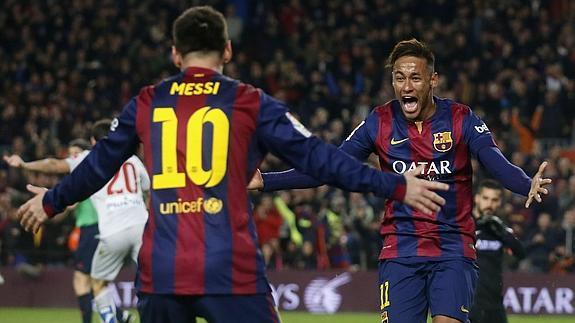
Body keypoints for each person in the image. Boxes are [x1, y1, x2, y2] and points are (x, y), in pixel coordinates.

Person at [15, 7, 449, 323]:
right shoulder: (251, 102)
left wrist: (51, 202)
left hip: (162, 270)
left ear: (174, 54)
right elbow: (321, 159)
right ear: (227, 50)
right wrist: (395, 186)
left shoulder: (146, 102)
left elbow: (97, 166)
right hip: (229, 268)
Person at [249, 38, 552, 323]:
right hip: (401, 249)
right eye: (399, 78)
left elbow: (493, 160)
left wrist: (526, 183)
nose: (406, 86)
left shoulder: (461, 118)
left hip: (453, 246)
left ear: (433, 80)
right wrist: (265, 180)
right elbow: (329, 167)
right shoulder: (378, 122)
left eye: (415, 78)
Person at [5, 139, 100, 323]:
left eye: (76, 153)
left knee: (83, 280)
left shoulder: (86, 174)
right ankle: (119, 316)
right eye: (71, 153)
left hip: (91, 230)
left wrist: (48, 203)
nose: (72, 157)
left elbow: (68, 202)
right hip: (100, 229)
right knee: (95, 282)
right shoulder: (93, 174)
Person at [470, 180, 525, 323]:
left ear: (500, 202)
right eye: (485, 198)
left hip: (495, 305)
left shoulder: (499, 229)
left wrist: (502, 231)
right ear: (477, 198)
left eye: (494, 200)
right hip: (470, 303)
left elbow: (520, 253)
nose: (489, 204)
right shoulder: (465, 226)